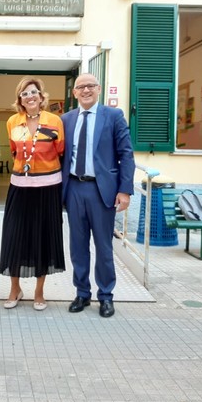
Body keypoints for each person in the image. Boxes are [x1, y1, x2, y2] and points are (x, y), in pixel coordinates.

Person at [61, 73, 135, 318]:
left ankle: (106, 295)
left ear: (99, 89)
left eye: (90, 86)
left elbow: (126, 154)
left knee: (103, 246)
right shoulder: (66, 119)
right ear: (74, 93)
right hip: (73, 188)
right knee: (77, 246)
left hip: (102, 190)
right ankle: (82, 293)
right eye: (80, 87)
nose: (85, 90)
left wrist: (124, 190)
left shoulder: (113, 116)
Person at [0, 77, 65, 311]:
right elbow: (16, 151)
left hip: (49, 187)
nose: (30, 96)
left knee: (44, 238)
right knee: (14, 237)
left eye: (34, 92)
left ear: (41, 96)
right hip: (20, 186)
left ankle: (39, 291)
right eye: (25, 93)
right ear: (20, 99)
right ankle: (15, 289)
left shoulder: (55, 121)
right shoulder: (12, 122)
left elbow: (59, 150)